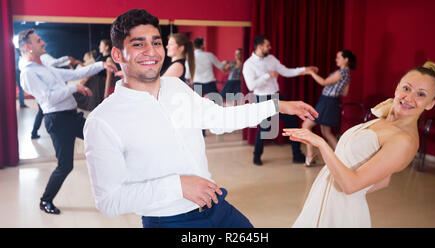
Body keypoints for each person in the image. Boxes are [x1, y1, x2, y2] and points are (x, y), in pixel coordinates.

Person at [83, 9, 318, 228]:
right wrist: (178, 186)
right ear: (116, 54)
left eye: (156, 42)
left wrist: (276, 105)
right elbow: (109, 201)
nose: (152, 51)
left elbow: (220, 118)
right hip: (169, 221)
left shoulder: (175, 87)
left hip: (216, 206)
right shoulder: (103, 120)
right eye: (138, 44)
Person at [284, 61, 435, 227]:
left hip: (341, 214)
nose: (409, 97)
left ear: (431, 103)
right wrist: (332, 190)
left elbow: (351, 185)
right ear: (397, 88)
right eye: (407, 88)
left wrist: (321, 144)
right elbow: (383, 180)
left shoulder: (404, 141)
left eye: (421, 94)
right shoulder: (385, 121)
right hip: (327, 199)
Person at [18, 28, 117, 215]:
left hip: (71, 116)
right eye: (39, 41)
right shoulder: (28, 73)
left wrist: (101, 65)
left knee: (102, 142)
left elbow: (72, 75)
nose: (43, 43)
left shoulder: (44, 67)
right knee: (65, 166)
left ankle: (114, 185)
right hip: (58, 121)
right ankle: (45, 200)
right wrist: (74, 89)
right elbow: (48, 99)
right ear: (29, 47)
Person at [242, 35, 319, 166]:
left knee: (293, 122)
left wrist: (305, 70)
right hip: (262, 99)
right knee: (264, 129)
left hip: (277, 97)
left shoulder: (271, 59)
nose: (270, 48)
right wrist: (267, 75)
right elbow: (251, 86)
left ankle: (297, 155)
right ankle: (257, 155)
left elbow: (286, 71)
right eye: (267, 45)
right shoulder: (248, 64)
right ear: (259, 47)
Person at [301, 50, 356, 166]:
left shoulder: (341, 73)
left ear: (346, 59)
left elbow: (324, 82)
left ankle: (310, 156)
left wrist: (311, 73)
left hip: (327, 102)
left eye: (338, 57)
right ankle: (342, 158)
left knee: (306, 125)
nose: (336, 59)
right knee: (326, 132)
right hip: (331, 102)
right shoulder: (347, 74)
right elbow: (344, 93)